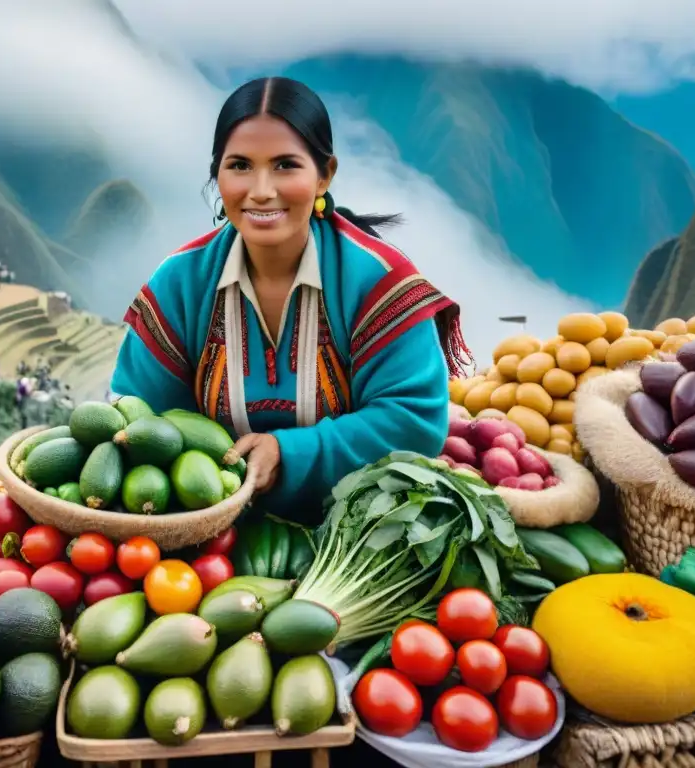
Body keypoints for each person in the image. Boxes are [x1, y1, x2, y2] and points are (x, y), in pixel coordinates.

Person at [110, 77, 469, 519]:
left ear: (324, 175)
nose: (260, 189)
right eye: (240, 165)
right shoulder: (179, 284)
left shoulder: (377, 281)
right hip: (203, 542)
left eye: (285, 165)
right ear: (216, 174)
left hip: (358, 534)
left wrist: (289, 453)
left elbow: (414, 421)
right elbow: (136, 420)